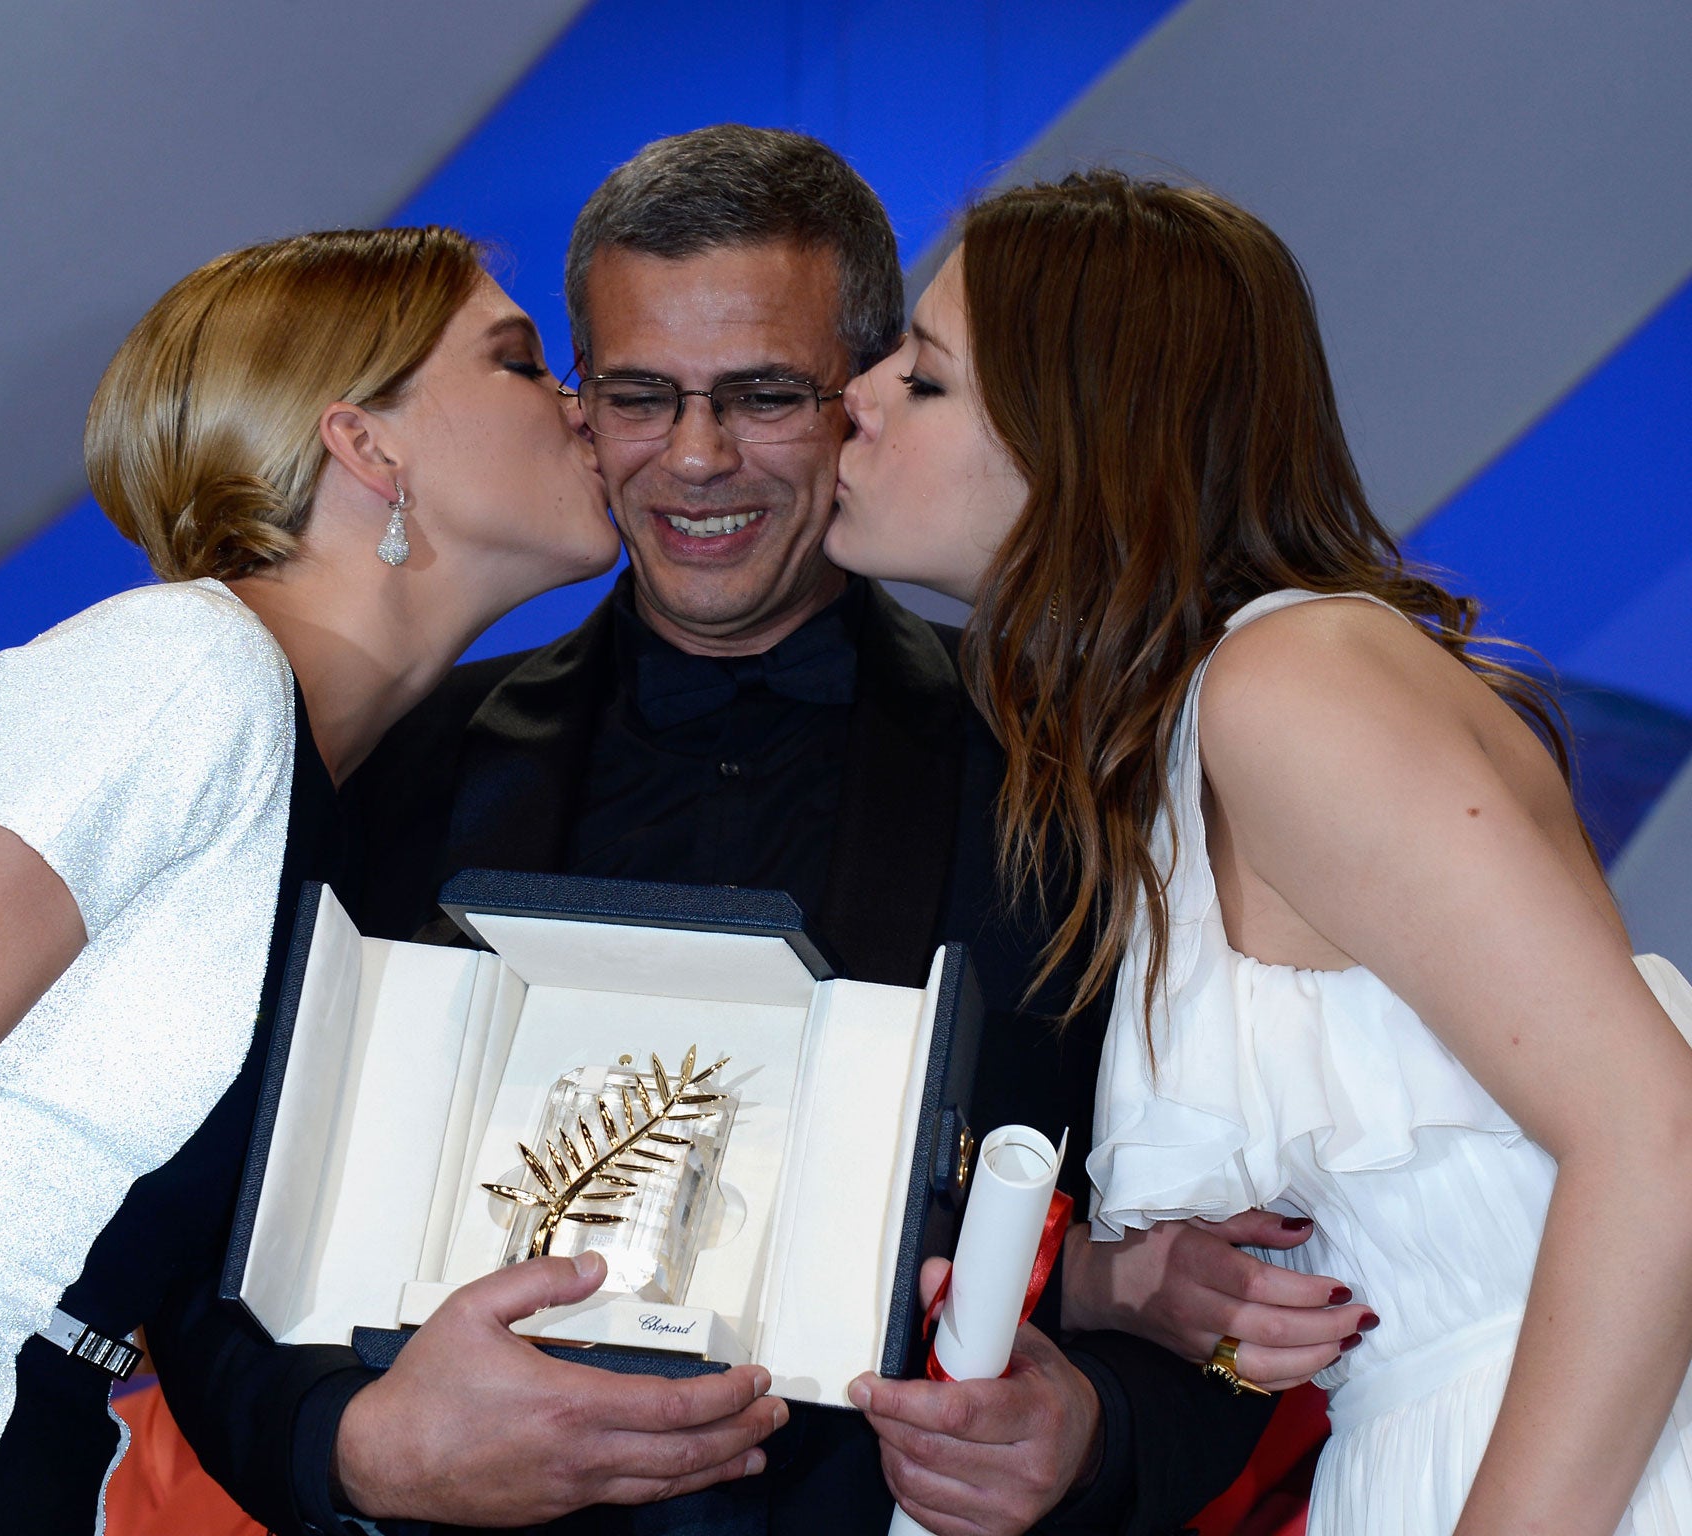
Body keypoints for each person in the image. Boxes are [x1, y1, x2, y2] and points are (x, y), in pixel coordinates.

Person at [146, 127, 1325, 1536]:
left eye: (764, 395)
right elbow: (205, 1240)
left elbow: (1235, 1286)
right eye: (642, 396)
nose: (697, 460)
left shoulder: (1080, 780)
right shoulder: (389, 765)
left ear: (868, 401)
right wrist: (352, 1452)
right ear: (581, 407)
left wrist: (1094, 1436)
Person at [0, 224, 753, 1535]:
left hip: (1, 1460)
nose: (584, 405)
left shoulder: (334, 793)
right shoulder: (186, 673)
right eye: (521, 364)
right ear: (367, 445)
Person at [825, 168, 1692, 1534]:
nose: (853, 400)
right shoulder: (1198, 727)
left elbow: (1660, 1138)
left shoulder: (1287, 685)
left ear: (1082, 439)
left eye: (922, 378)